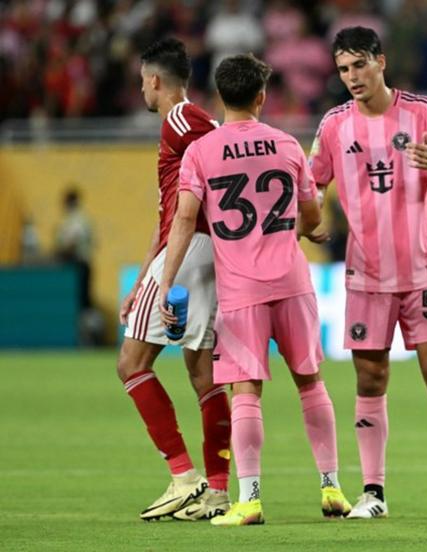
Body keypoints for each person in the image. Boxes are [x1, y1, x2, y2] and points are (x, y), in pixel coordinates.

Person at [159, 53, 351, 526]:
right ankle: (332, 488)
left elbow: (185, 218)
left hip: (241, 289)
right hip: (291, 280)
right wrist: (305, 230)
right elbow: (311, 214)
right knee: (311, 382)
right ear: (262, 97)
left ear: (219, 97)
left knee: (246, 391)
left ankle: (250, 499)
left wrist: (167, 282)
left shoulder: (200, 153)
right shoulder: (286, 145)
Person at [309, 26, 427, 519]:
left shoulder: (423, 112)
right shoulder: (334, 124)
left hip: (423, 272)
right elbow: (311, 184)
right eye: (343, 69)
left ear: (380, 61)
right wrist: (308, 219)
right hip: (365, 276)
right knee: (370, 379)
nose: (352, 77)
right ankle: (373, 493)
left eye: (359, 65)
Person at [117, 38, 231, 521]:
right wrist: (142, 279)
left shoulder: (183, 119)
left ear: (156, 80)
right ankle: (218, 492)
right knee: (202, 372)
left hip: (188, 253)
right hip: (192, 251)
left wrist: (162, 277)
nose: (141, 88)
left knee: (131, 363)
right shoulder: (176, 129)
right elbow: (168, 214)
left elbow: (229, 153)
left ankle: (183, 476)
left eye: (143, 80)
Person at [54, 187, 94, 310]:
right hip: (74, 265)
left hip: (79, 264)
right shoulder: (72, 220)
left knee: (81, 300)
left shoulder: (78, 220)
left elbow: (71, 243)